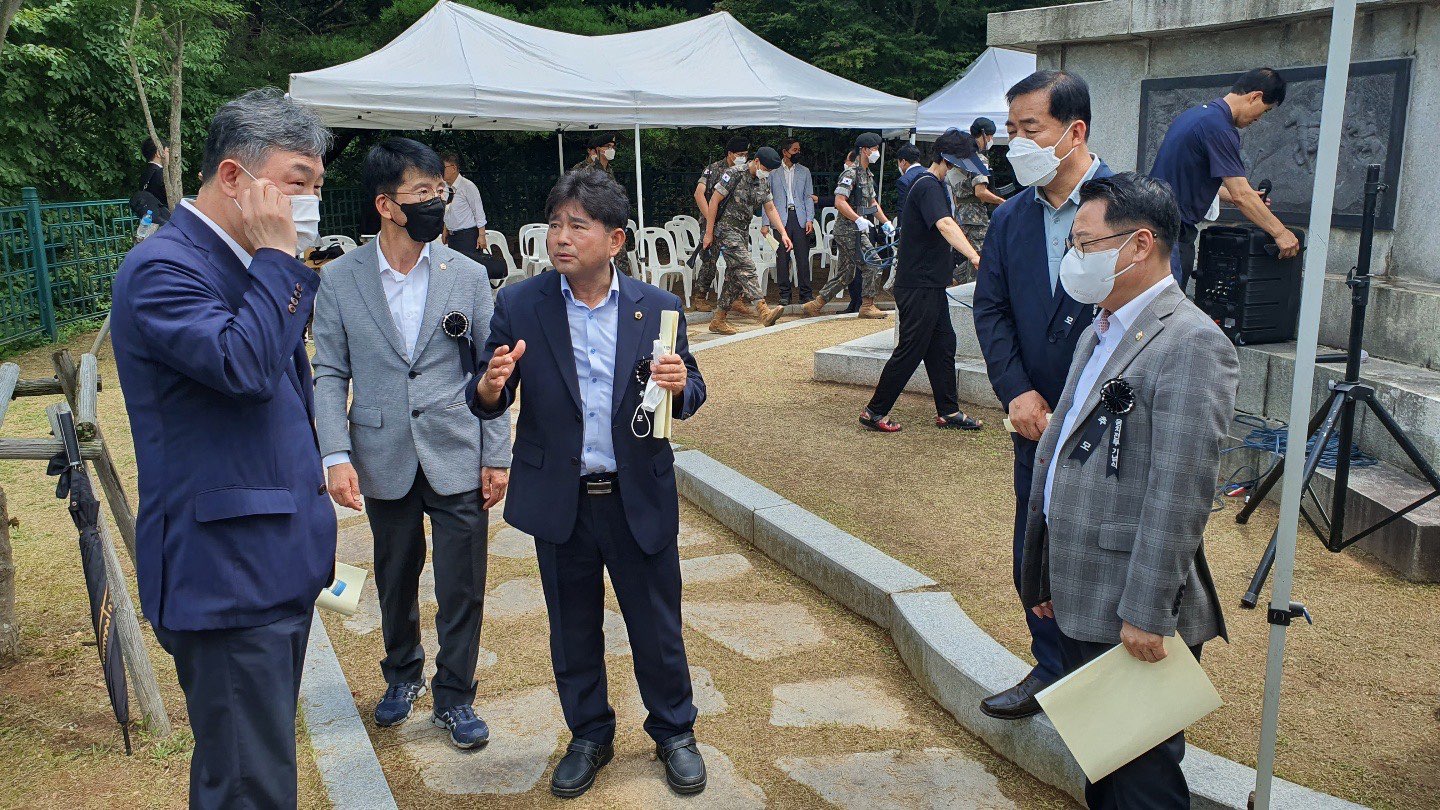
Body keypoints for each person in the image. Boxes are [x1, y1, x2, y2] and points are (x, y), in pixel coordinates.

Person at [110, 88, 335, 809]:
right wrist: (279, 259)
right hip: (227, 577)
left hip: (274, 563)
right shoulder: (163, 268)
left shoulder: (244, 263)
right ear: (234, 177)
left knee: (257, 772)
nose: (308, 202)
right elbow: (243, 367)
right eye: (297, 181)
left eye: (316, 185)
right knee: (247, 788)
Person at [469, 169, 709, 799]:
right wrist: (490, 386)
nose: (560, 237)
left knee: (657, 625)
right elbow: (489, 393)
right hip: (562, 500)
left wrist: (682, 384)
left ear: (615, 239)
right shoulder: (521, 304)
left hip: (637, 494)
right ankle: (589, 734)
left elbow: (691, 388)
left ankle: (675, 731)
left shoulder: (657, 308)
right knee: (572, 628)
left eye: (577, 225)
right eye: (555, 224)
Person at [1022, 172, 1234, 808]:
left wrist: (1147, 609)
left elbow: (1180, 491)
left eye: (1086, 244)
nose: (1075, 258)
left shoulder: (1191, 342)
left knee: (1141, 783)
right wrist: (1046, 574)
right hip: (1081, 585)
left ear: (1140, 245)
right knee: (1104, 768)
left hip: (1128, 603)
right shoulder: (1101, 327)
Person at [312, 139, 513, 750]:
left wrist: (496, 454)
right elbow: (329, 373)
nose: (436, 203)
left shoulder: (467, 275)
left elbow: (495, 371)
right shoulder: (340, 279)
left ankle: (455, 695)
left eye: (439, 192)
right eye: (422, 193)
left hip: (457, 448)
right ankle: (402, 674)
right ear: (386, 205)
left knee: (462, 585)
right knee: (395, 577)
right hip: (382, 453)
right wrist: (335, 454)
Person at [973, 69, 1110, 722]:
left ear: (1073, 132)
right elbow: (992, 310)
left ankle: (1103, 685)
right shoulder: (1012, 218)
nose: (1016, 143)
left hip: (1108, 424)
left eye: (1030, 129)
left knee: (1102, 552)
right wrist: (1017, 392)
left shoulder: (1129, 207)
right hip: (1035, 420)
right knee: (1035, 550)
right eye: (1011, 130)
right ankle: (1050, 666)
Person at [860, 131, 984, 433]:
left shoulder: (936, 185)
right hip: (918, 283)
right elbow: (945, 224)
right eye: (960, 164)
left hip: (931, 284)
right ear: (947, 160)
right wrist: (974, 256)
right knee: (911, 348)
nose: (963, 171)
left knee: (943, 345)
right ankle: (874, 412)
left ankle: (948, 411)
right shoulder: (927, 185)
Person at [1149, 67, 1300, 289]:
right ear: (1255, 96)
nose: (1258, 119)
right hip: (1171, 236)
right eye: (1265, 111)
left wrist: (1236, 196)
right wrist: (1281, 232)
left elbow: (1186, 179)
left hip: (1153, 228)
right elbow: (1241, 195)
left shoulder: (1195, 115)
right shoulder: (1219, 128)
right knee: (1165, 307)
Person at [703, 146, 791, 335]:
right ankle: (763, 311)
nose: (767, 173)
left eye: (770, 171)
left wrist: (783, 233)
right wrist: (708, 233)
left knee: (734, 277)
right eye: (766, 169)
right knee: (746, 266)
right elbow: (714, 201)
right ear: (756, 161)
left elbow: (770, 208)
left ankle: (718, 320)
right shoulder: (734, 173)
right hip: (726, 229)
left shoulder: (762, 181)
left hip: (742, 231)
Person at [802, 133, 892, 320]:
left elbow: (872, 203)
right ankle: (867, 305)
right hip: (848, 230)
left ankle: (815, 304)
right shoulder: (850, 173)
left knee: (846, 273)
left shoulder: (867, 174)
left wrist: (886, 222)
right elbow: (839, 201)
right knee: (873, 263)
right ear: (864, 150)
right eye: (874, 149)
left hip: (855, 229)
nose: (877, 152)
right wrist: (857, 219)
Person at [690, 137, 750, 313]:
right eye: (740, 154)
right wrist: (710, 217)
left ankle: (736, 299)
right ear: (730, 153)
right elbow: (699, 194)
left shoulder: (745, 171)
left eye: (746, 154)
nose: (743, 157)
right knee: (709, 261)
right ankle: (700, 297)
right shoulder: (714, 169)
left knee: (738, 262)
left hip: (736, 225)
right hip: (713, 224)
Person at [572, 132, 638, 278]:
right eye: (607, 146)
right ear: (597, 149)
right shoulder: (587, 171)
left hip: (610, 218)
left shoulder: (609, 170)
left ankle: (621, 283)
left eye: (613, 147)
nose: (611, 150)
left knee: (619, 254)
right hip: (593, 219)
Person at [944, 129, 1000, 284]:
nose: (991, 139)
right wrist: (1003, 202)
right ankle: (971, 290)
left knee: (972, 255)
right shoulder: (978, 160)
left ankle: (950, 280)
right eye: (990, 136)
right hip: (976, 217)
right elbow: (980, 192)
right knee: (981, 257)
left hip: (961, 215)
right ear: (985, 135)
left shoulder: (959, 160)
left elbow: (954, 193)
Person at [765, 137, 815, 306]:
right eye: (794, 150)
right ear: (785, 152)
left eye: (798, 150)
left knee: (802, 257)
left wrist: (810, 218)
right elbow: (766, 199)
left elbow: (808, 196)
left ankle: (805, 293)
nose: (798, 153)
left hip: (800, 217)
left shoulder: (805, 171)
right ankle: (784, 294)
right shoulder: (773, 172)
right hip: (779, 218)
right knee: (782, 258)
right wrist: (766, 223)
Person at [441, 151, 489, 263]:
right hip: (452, 236)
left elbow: (478, 212)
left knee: (469, 266)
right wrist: (445, 229)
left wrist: (482, 235)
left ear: (453, 168)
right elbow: (448, 211)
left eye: (442, 167)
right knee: (455, 266)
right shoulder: (445, 188)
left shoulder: (468, 186)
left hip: (467, 235)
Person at [140, 137, 170, 210]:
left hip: (148, 214)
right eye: (168, 151)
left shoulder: (145, 172)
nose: (170, 155)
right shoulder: (161, 173)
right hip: (163, 214)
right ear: (158, 153)